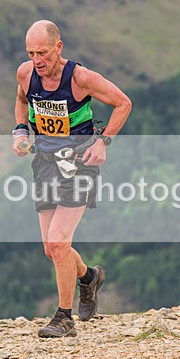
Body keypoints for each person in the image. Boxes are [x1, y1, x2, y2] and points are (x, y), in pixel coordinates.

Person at [12, 20, 132, 338]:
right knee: (52, 249)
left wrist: (102, 142)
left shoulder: (80, 78)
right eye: (31, 52)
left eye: (43, 52)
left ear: (59, 47)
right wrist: (21, 131)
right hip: (45, 162)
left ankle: (64, 318)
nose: (37, 60)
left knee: (58, 241)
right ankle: (89, 276)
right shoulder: (25, 73)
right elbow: (22, 100)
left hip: (80, 163)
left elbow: (123, 103)